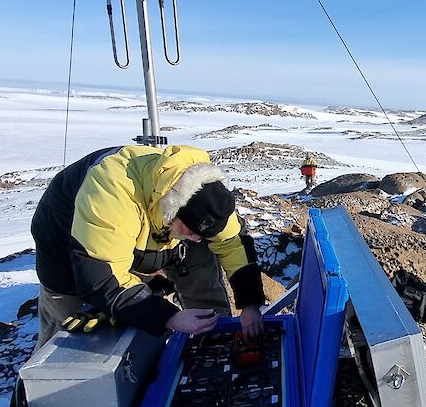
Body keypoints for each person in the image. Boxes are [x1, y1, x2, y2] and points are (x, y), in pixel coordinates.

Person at [30, 144, 265, 348]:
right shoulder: (112, 198)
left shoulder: (207, 197)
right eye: (192, 231)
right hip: (66, 241)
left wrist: (250, 304)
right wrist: (169, 317)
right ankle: (36, 388)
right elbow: (101, 276)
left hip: (151, 224)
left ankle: (210, 337)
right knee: (69, 328)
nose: (196, 238)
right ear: (174, 212)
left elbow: (234, 246)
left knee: (198, 253)